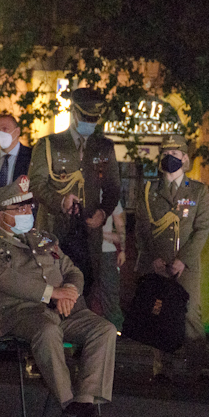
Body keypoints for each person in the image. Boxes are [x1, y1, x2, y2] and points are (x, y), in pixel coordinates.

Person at [0, 176, 116, 417]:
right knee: (47, 330)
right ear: (0, 214)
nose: (28, 212)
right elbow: (2, 279)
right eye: (20, 208)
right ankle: (68, 403)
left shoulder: (42, 238)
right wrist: (52, 294)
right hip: (18, 313)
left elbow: (72, 270)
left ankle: (85, 402)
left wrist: (69, 292)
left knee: (104, 329)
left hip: (63, 308)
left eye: (29, 206)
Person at [134, 135, 209, 384]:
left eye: (175, 154)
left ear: (185, 158)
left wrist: (184, 260)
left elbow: (202, 229)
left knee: (190, 314)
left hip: (186, 265)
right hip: (158, 262)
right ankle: (162, 368)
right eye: (166, 153)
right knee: (160, 313)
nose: (170, 158)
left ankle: (199, 367)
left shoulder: (198, 190)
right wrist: (152, 258)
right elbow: (142, 228)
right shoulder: (149, 190)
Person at [29, 88, 120, 298]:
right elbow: (36, 185)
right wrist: (61, 201)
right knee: (51, 291)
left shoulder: (103, 147)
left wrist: (103, 212)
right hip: (52, 232)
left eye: (94, 119)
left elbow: (113, 188)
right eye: (86, 117)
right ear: (73, 112)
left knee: (84, 292)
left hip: (89, 235)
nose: (90, 122)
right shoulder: (49, 144)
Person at [0, 114, 32, 205]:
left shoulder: (31, 158)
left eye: (5, 129)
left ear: (17, 131)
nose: (0, 134)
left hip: (22, 211)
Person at [91, 201, 126, 331]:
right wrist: (122, 249)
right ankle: (115, 330)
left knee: (95, 293)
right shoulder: (111, 197)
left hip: (94, 250)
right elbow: (120, 224)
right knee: (110, 293)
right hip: (105, 250)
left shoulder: (84, 193)